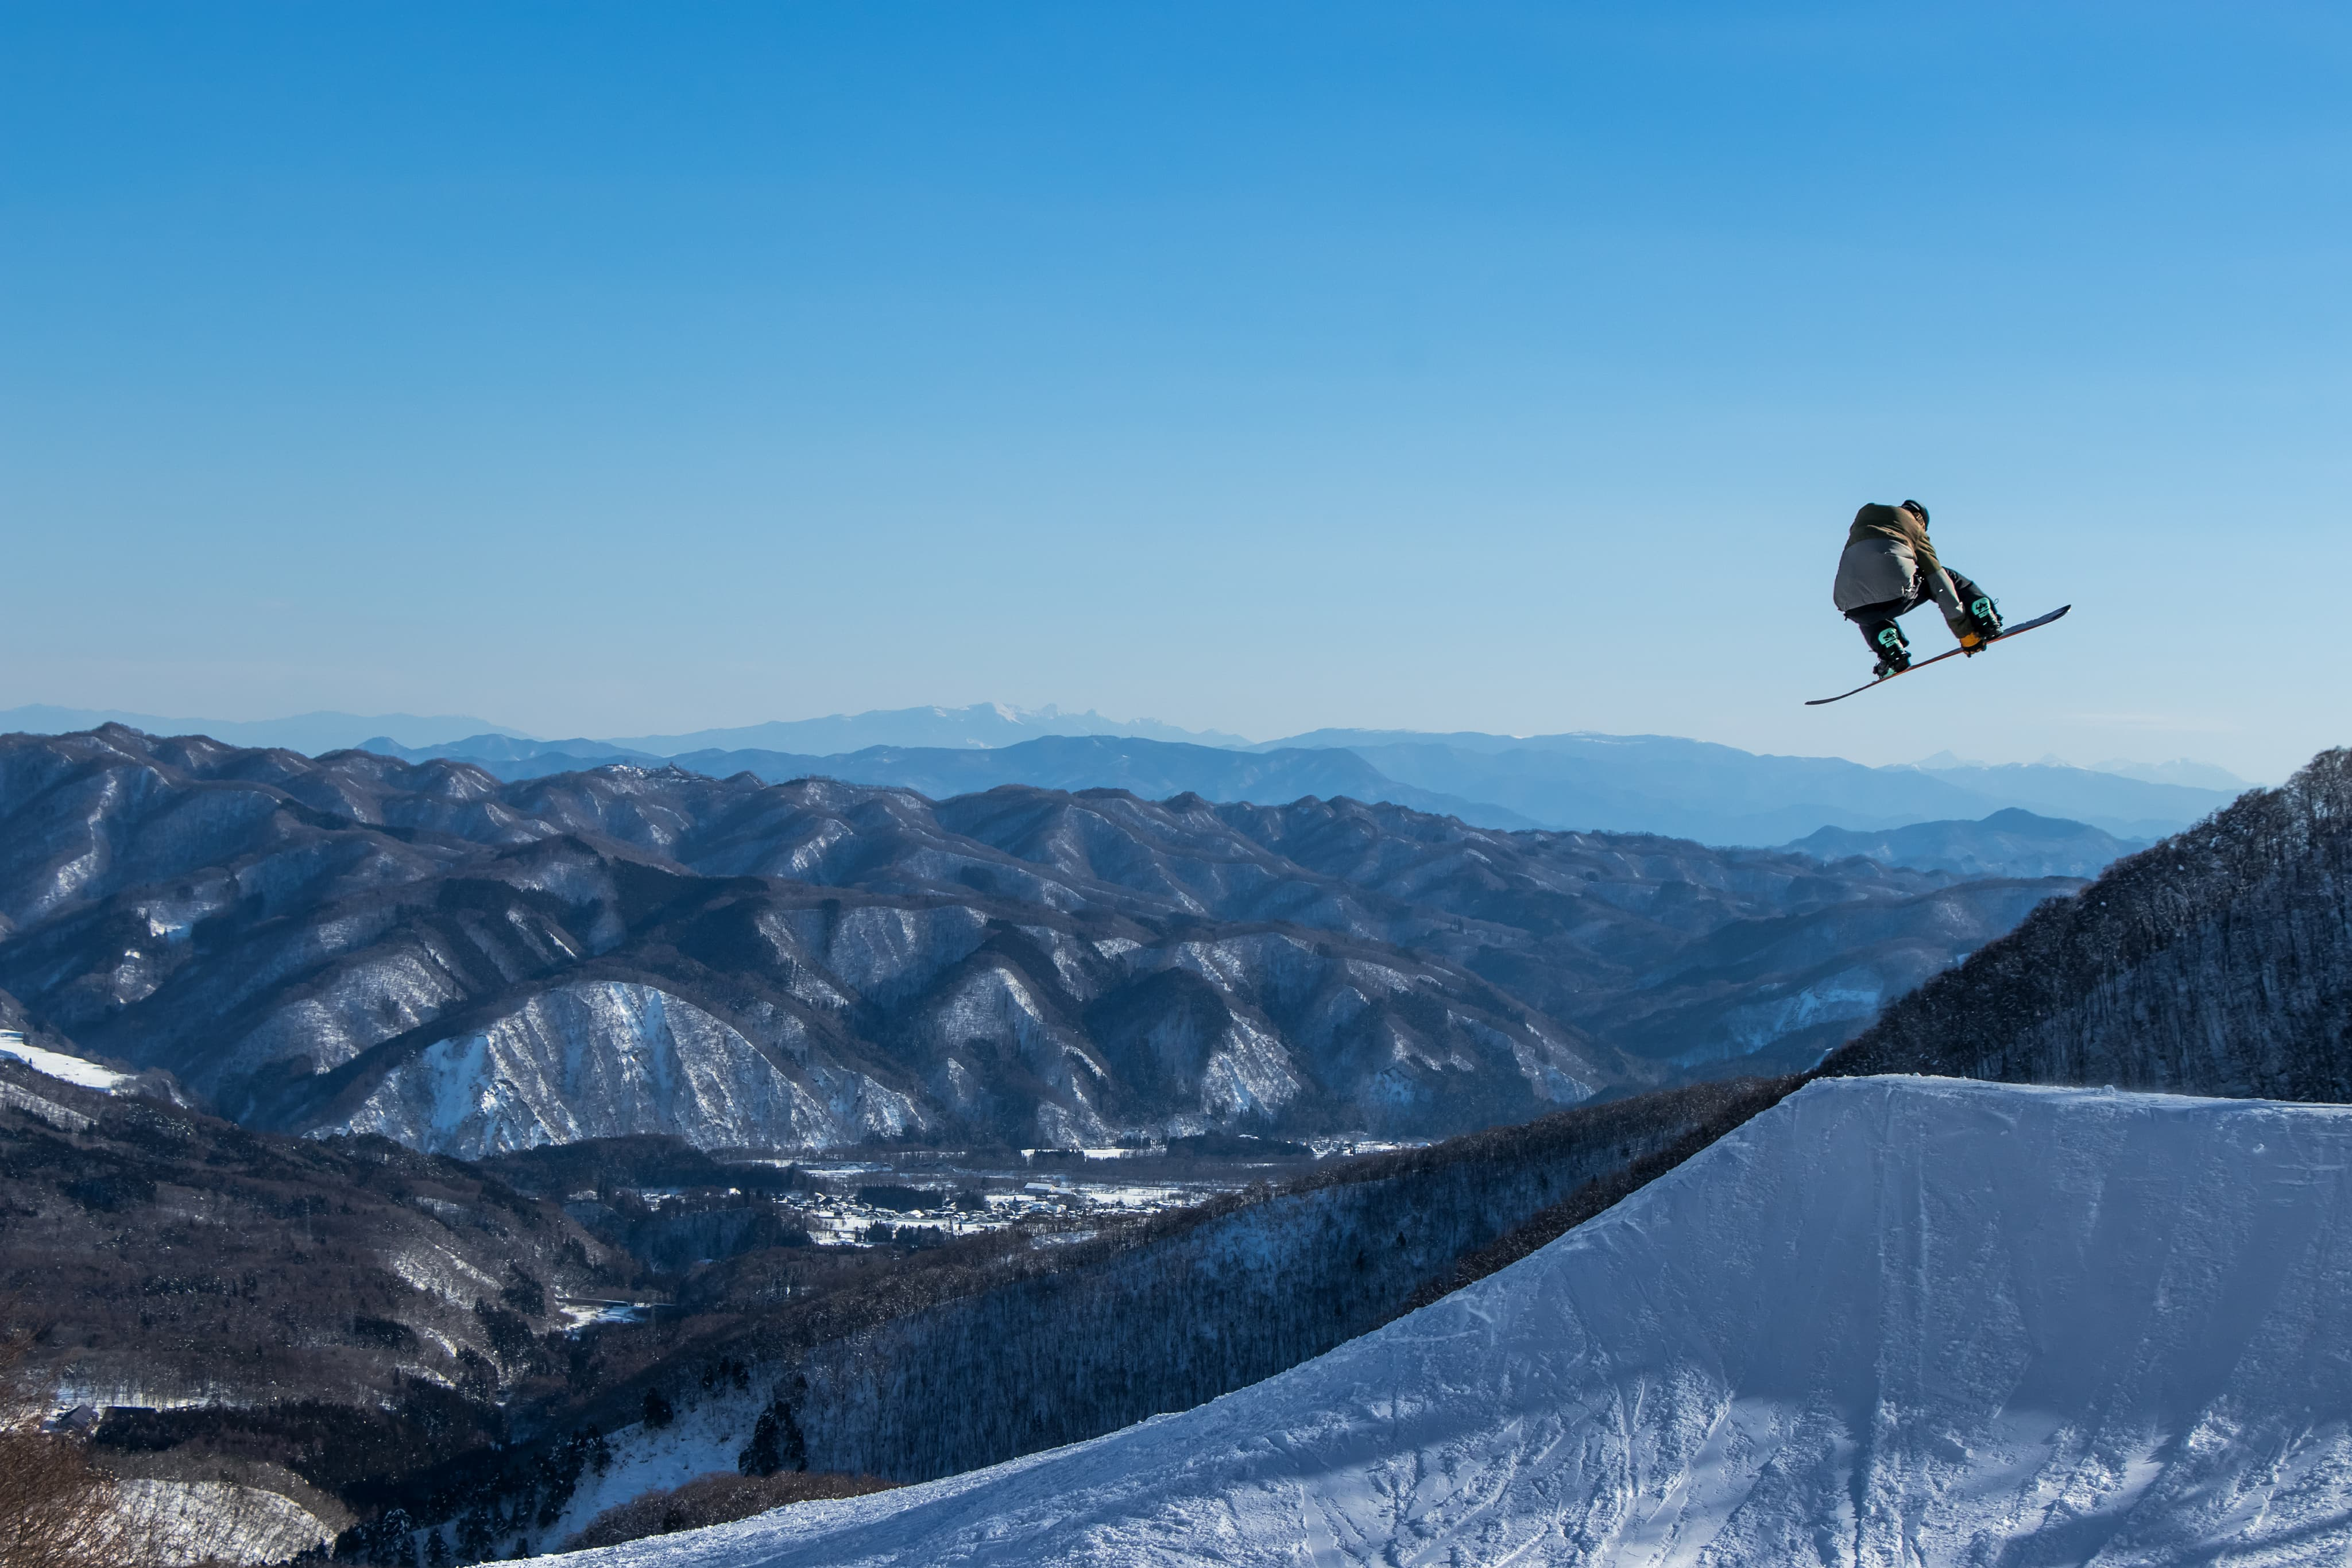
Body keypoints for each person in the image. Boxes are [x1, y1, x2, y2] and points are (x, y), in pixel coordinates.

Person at [1832, 500, 2002, 678]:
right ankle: (1984, 617)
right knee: (1946, 576)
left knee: (1868, 605)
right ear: (1920, 520)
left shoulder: (1865, 519)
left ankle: (1892, 652)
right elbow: (1940, 583)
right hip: (1895, 592)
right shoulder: (1915, 528)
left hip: (1848, 603)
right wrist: (1965, 634)